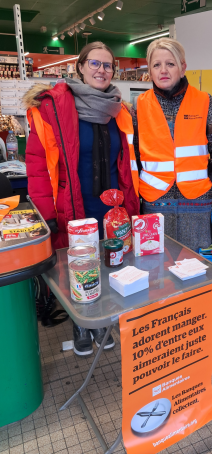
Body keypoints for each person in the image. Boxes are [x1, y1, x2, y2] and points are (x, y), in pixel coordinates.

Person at [25, 41, 139, 356]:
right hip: (74, 207)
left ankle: (102, 320)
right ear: (80, 67)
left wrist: (131, 206)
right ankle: (82, 325)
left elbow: (127, 165)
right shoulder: (52, 108)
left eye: (108, 65)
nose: (102, 70)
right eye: (95, 63)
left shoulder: (120, 110)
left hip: (112, 209)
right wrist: (45, 215)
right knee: (79, 265)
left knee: (110, 264)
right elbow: (36, 168)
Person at [132, 38, 212, 251]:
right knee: (154, 264)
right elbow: (135, 153)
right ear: (150, 69)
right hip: (154, 199)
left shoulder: (204, 101)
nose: (163, 70)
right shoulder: (139, 106)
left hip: (196, 199)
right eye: (156, 65)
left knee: (192, 267)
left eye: (170, 64)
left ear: (183, 68)